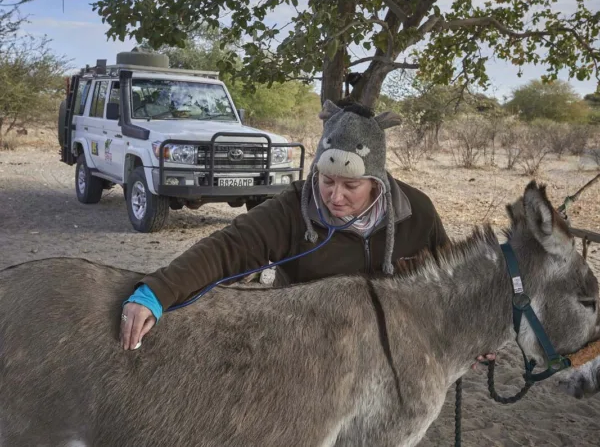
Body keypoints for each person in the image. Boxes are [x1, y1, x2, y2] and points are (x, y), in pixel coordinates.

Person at [120, 100, 451, 350]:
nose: (335, 197)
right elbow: (229, 247)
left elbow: (452, 277)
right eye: (327, 181)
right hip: (310, 344)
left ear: (376, 182)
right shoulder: (294, 206)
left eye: (351, 187)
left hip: (390, 349)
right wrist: (157, 292)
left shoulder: (416, 212)